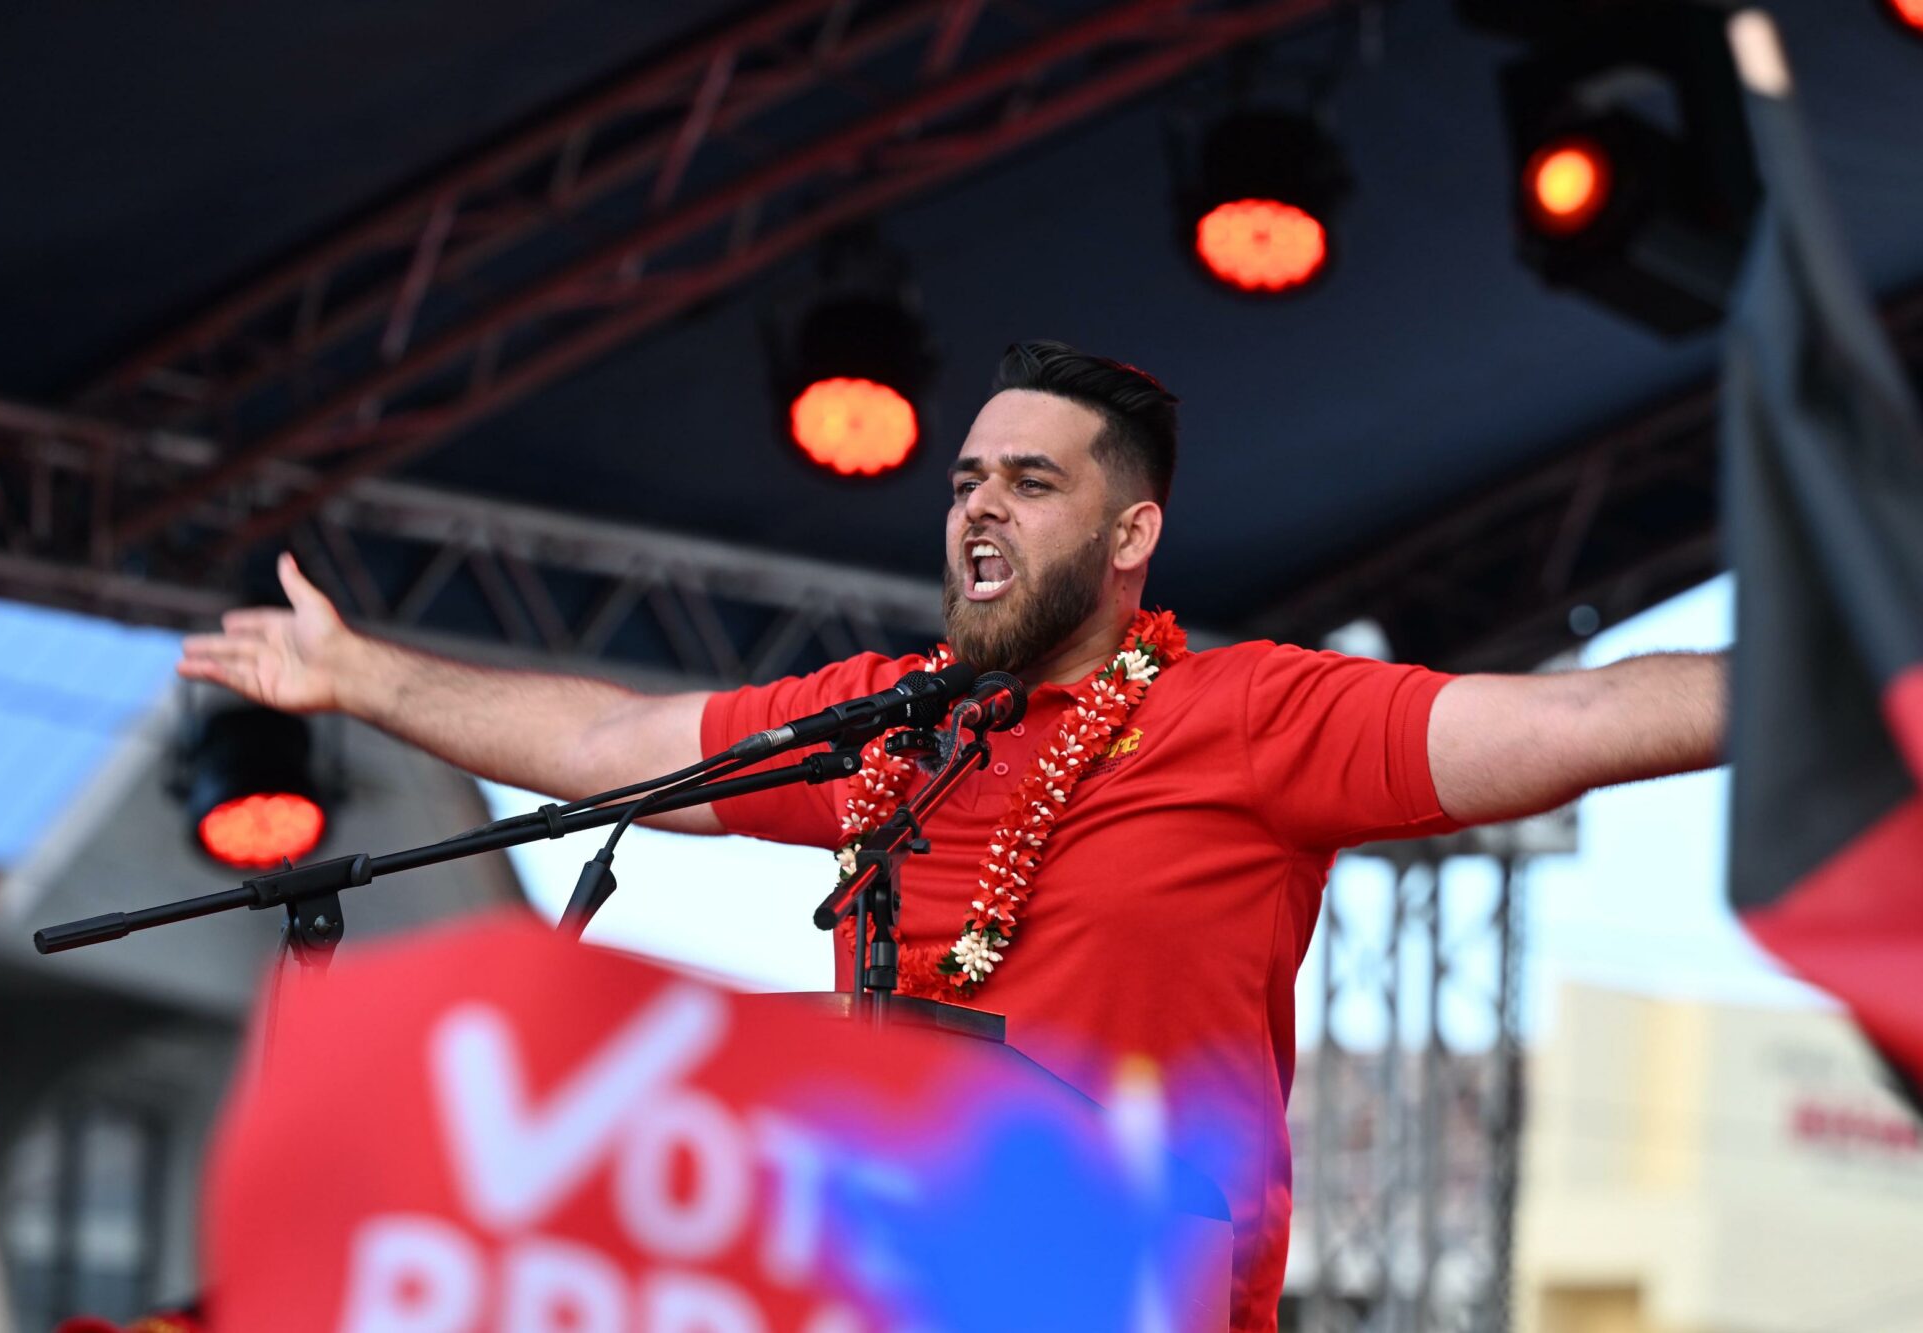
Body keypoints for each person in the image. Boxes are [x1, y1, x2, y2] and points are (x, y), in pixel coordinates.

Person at [178, 341, 1724, 1331]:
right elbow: (602, 750)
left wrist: (1833, 682)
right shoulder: (884, 725)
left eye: (1032, 484)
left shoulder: (1249, 715)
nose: (980, 508)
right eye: (968, 478)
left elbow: (1574, 720)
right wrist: (357, 678)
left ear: (1131, 534)